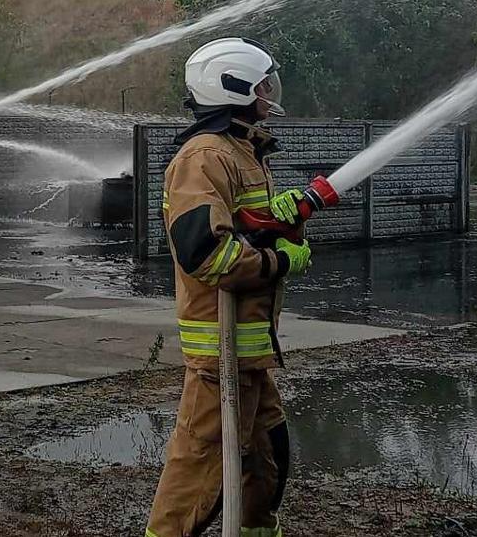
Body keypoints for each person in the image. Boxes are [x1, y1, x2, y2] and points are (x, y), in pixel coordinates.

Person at [143, 37, 336, 537]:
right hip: (221, 352)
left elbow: (237, 225)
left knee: (267, 462)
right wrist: (277, 262)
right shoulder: (204, 156)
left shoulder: (241, 150)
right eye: (263, 83)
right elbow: (205, 251)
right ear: (235, 87)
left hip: (250, 350)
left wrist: (279, 216)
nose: (271, 91)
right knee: (200, 477)